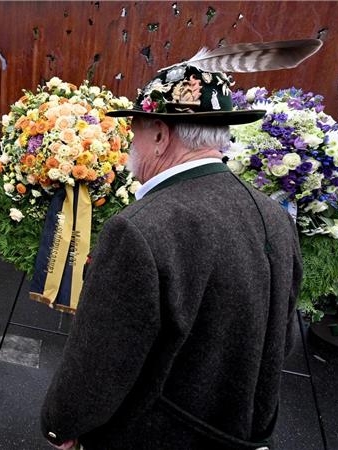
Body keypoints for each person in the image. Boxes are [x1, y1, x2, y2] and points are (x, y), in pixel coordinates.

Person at [40, 64, 304, 449]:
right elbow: (283, 340)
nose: (132, 144)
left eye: (137, 132)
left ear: (161, 135)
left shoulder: (138, 230)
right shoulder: (274, 216)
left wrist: (59, 425)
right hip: (243, 434)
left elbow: (99, 366)